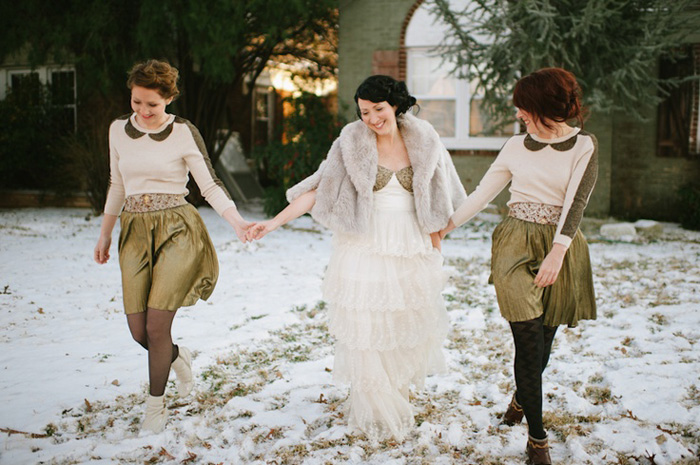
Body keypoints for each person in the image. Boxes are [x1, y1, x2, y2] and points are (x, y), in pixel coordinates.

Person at [247, 75, 467, 441]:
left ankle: (396, 392)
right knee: (366, 328)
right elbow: (318, 187)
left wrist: (435, 253)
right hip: (364, 246)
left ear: (395, 105)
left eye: (378, 109)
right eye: (364, 112)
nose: (372, 118)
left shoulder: (425, 138)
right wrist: (273, 224)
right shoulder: (351, 140)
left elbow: (438, 200)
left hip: (409, 245)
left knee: (400, 326)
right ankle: (374, 406)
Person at [440, 67, 597, 465]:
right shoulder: (514, 146)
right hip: (514, 244)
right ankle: (538, 440)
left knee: (542, 346)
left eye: (525, 108)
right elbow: (482, 193)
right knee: (527, 341)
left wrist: (557, 253)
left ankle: (521, 398)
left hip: (559, 246)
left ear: (544, 106)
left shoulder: (584, 147)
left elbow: (576, 204)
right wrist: (446, 227)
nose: (519, 115)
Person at [93, 59, 254, 434]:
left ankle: (155, 405)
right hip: (133, 229)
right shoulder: (118, 130)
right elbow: (117, 185)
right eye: (137, 102)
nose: (144, 112)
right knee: (139, 332)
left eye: (152, 104)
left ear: (168, 98)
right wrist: (104, 234)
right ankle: (178, 358)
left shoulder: (183, 132)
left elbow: (209, 185)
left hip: (177, 230)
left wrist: (238, 223)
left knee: (156, 323)